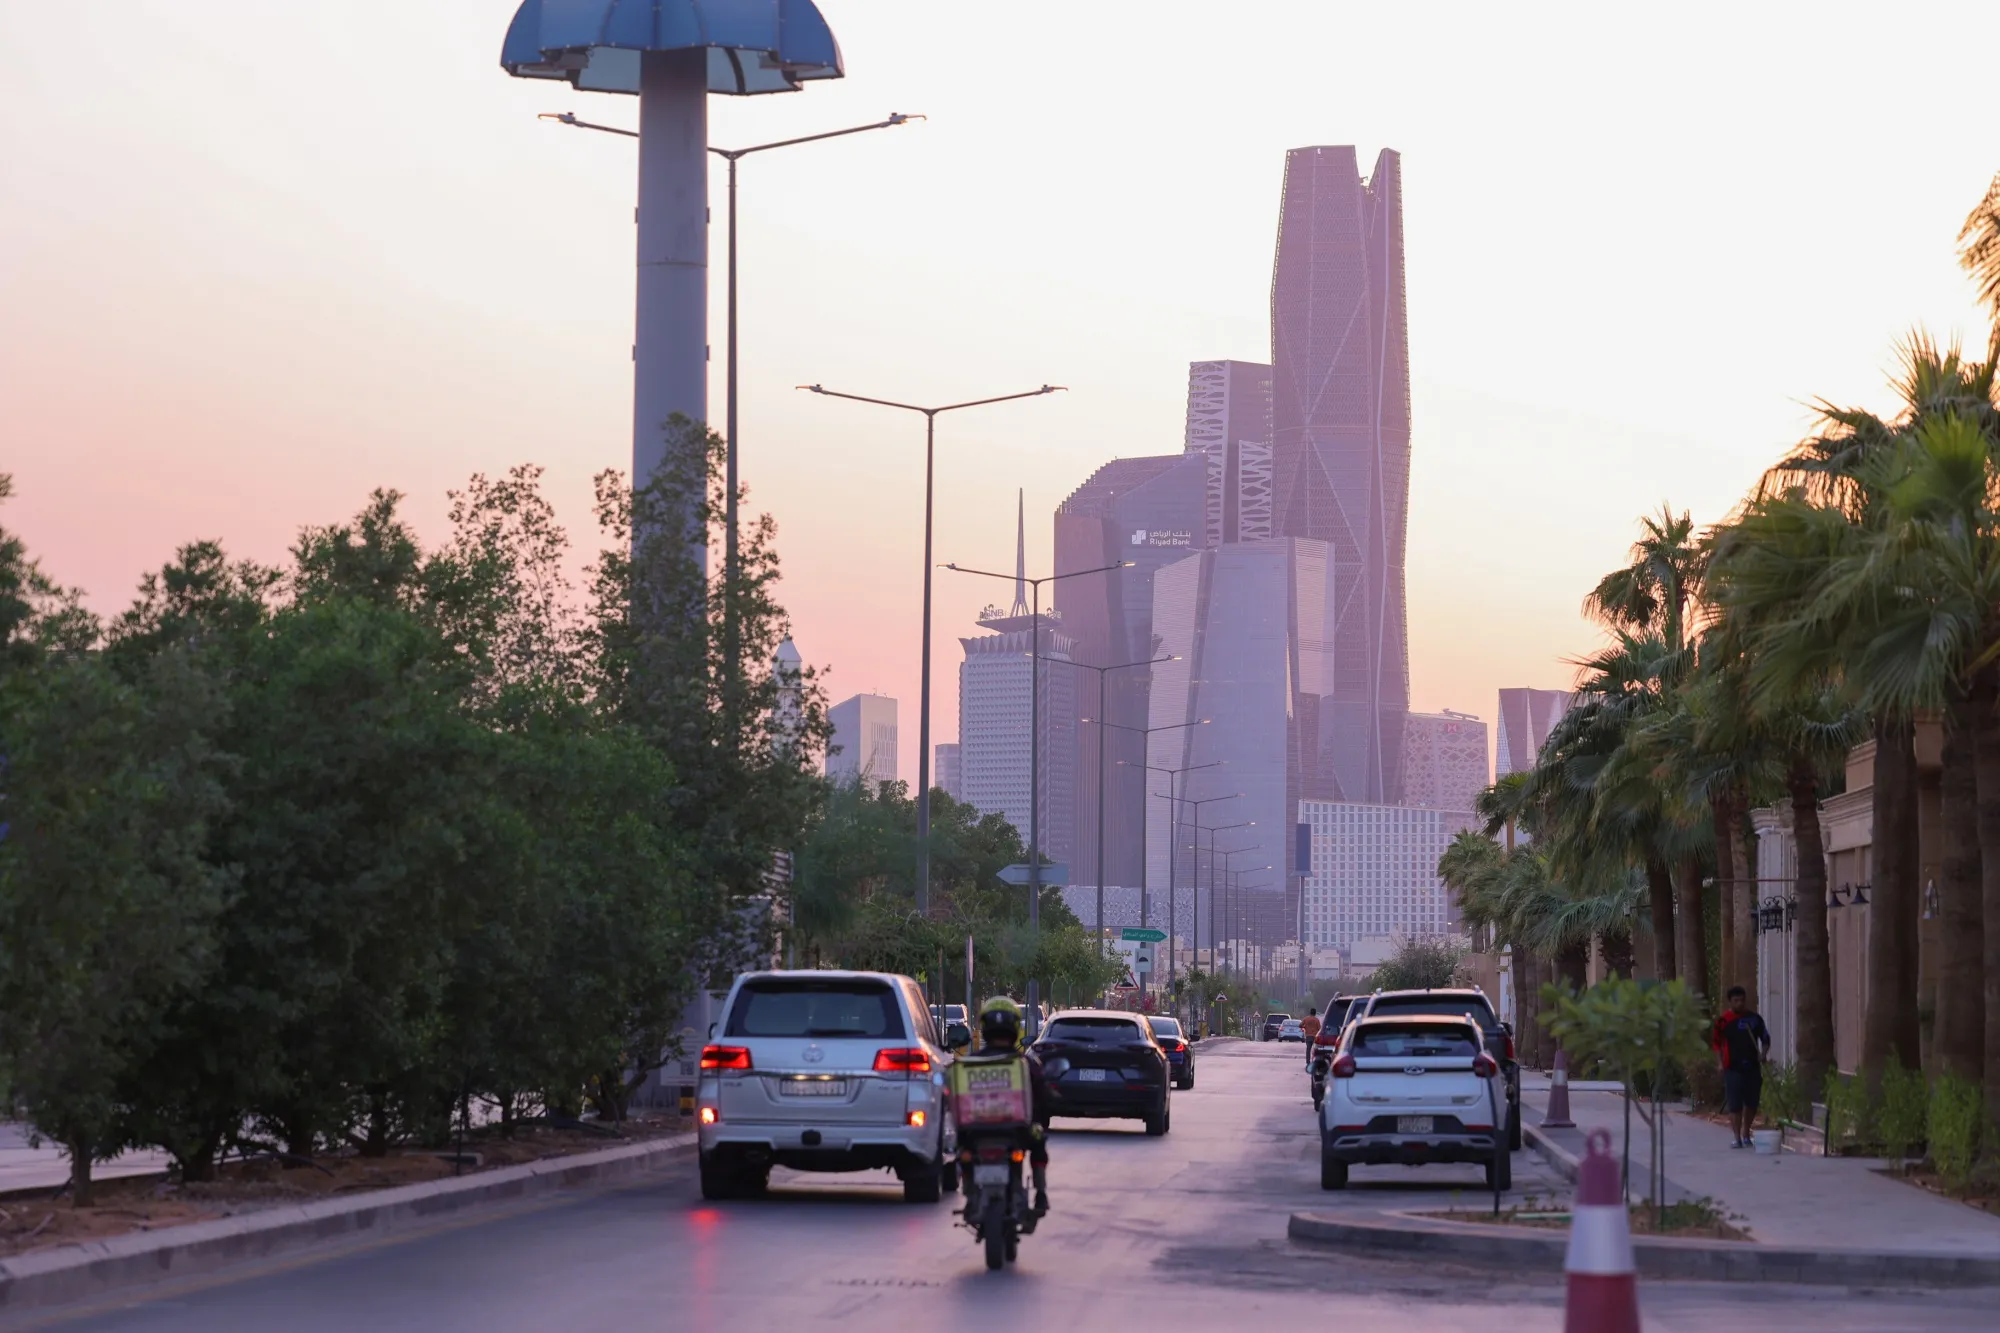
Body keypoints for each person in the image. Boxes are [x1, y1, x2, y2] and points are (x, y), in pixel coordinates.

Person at [970, 995, 1051, 1215]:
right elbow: (1044, 1097)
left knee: (963, 1150)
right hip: (1017, 1131)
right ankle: (1041, 1194)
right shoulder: (1027, 1064)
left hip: (975, 1131)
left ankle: (970, 1194)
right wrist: (1038, 1123)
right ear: (1015, 1027)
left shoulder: (970, 1065)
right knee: (1038, 1142)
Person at [1709, 985, 1772, 1148]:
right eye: (1736, 1001)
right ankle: (1736, 1137)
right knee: (1735, 1103)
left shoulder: (1754, 1019)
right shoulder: (1723, 1021)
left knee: (1751, 1102)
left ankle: (1746, 1134)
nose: (1739, 1004)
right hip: (1732, 1067)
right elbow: (1716, 1044)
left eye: (1742, 1000)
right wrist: (1720, 1063)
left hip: (1752, 1066)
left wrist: (1763, 1054)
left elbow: (1765, 1039)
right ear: (1730, 1002)